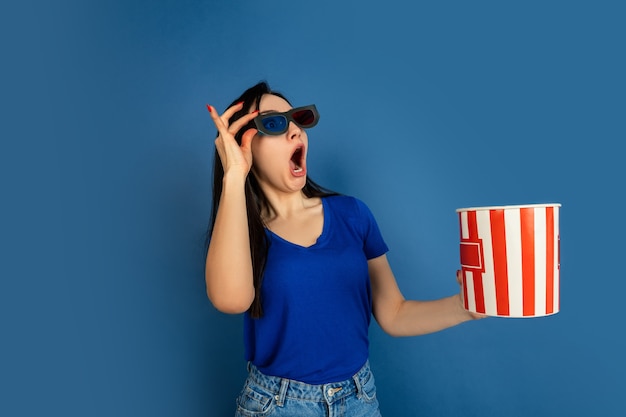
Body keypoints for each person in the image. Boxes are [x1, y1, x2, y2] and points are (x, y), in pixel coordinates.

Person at [205, 81, 482, 417]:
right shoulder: (240, 231)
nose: (295, 131)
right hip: (276, 406)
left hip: (357, 399)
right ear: (244, 144)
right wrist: (234, 176)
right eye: (274, 123)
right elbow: (230, 300)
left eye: (297, 119)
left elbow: (394, 314)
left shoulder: (353, 214)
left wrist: (467, 307)